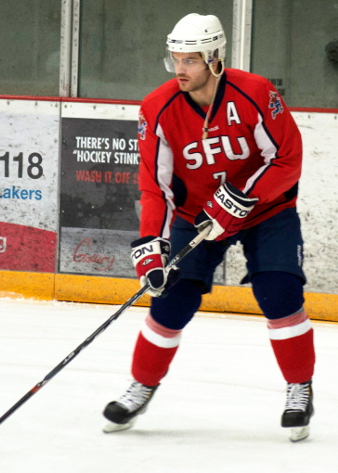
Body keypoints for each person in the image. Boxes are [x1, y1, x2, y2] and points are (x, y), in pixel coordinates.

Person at [103, 13, 316, 442]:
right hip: (194, 218)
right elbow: (155, 187)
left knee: (279, 293)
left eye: (191, 60)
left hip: (266, 212)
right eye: (175, 59)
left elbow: (287, 159)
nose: (180, 69)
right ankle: (142, 385)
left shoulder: (256, 93)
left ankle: (299, 388)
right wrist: (151, 244)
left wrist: (245, 195)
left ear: (216, 60)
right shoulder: (157, 108)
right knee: (170, 301)